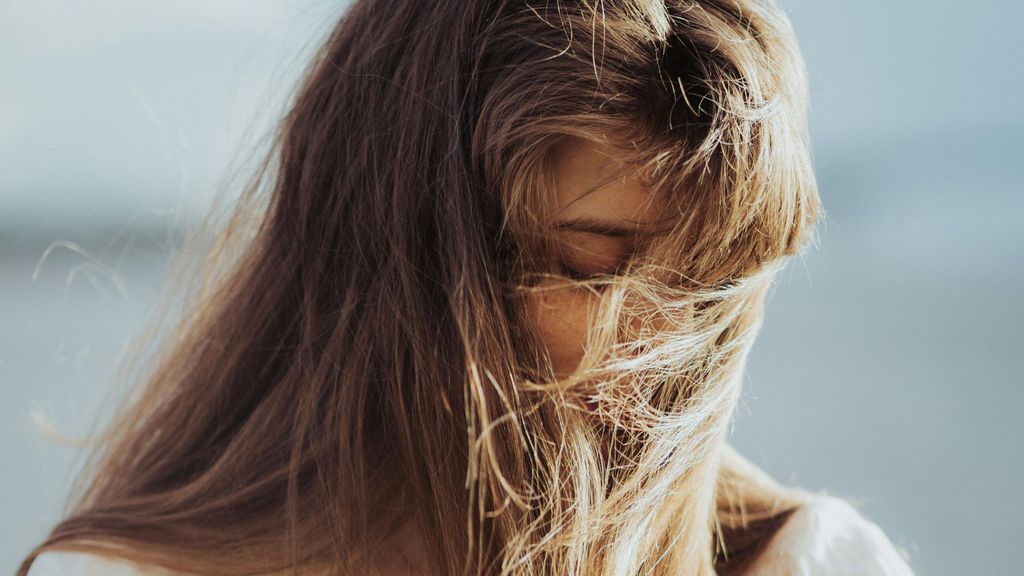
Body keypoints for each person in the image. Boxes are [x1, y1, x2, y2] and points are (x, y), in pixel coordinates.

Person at [19, 0, 915, 574]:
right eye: (594, 266)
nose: (668, 345)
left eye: (713, 288)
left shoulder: (810, 563)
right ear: (404, 248)